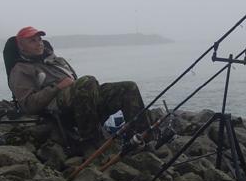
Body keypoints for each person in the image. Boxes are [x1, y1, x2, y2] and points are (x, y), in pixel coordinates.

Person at [8, 26, 151, 148]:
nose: (39, 43)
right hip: (56, 108)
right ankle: (92, 142)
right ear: (21, 46)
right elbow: (29, 105)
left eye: (39, 39)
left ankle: (142, 137)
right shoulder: (21, 69)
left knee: (128, 88)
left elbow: (77, 82)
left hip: (82, 102)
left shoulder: (57, 61)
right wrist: (57, 87)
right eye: (32, 41)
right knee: (87, 81)